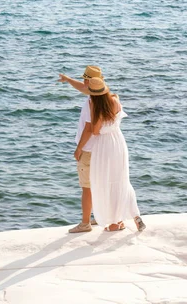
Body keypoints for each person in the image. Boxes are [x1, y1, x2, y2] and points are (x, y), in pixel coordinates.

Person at [87, 77, 146, 232]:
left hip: (104, 145)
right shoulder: (115, 100)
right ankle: (131, 215)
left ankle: (114, 222)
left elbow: (95, 130)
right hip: (118, 143)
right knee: (121, 180)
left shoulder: (94, 105)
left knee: (106, 182)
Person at [58, 65, 103, 233]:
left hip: (89, 149)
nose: (83, 82)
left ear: (88, 81)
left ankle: (85, 223)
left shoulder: (93, 101)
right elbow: (83, 88)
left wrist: (79, 149)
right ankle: (100, 216)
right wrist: (68, 80)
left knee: (86, 187)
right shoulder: (101, 94)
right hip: (100, 149)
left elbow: (89, 128)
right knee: (98, 185)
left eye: (85, 79)